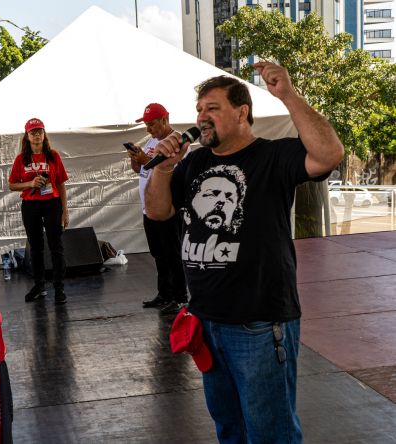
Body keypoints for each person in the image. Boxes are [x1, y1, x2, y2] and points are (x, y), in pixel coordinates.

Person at [144, 63, 344, 442]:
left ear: (241, 112)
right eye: (199, 109)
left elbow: (329, 154)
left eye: (213, 109)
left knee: (270, 433)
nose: (202, 117)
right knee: (230, 429)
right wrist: (165, 169)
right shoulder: (196, 163)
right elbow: (157, 211)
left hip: (258, 324)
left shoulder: (273, 157)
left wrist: (287, 93)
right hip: (206, 320)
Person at [128, 103, 188, 314]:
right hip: (150, 207)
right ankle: (164, 293)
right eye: (146, 125)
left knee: (173, 253)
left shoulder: (178, 141)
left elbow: (179, 170)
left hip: (169, 207)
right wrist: (136, 159)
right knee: (159, 254)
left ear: (165, 119)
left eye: (152, 124)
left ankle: (180, 297)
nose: (148, 129)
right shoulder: (153, 141)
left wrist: (148, 161)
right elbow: (141, 170)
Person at [8, 118, 69, 305]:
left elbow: (61, 183)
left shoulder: (53, 156)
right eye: (33, 132)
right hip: (31, 205)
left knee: (56, 246)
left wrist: (65, 211)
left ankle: (59, 288)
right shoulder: (21, 159)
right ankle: (39, 285)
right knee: (36, 247)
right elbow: (12, 184)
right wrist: (30, 183)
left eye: (40, 131)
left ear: (44, 134)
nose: (37, 135)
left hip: (52, 203)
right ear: (27, 136)